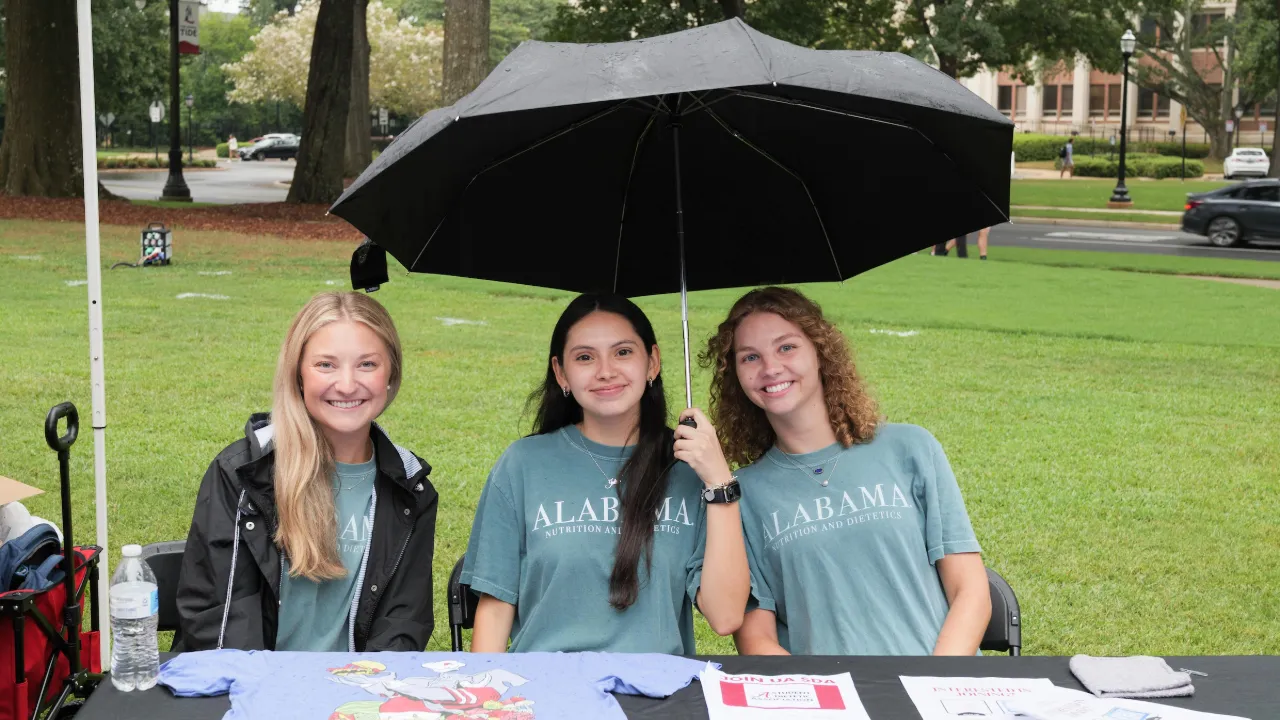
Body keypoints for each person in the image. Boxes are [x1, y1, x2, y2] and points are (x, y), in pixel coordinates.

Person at [702, 287, 990, 656]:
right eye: (750, 357)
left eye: (786, 347)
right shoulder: (741, 495)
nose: (770, 368)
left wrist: (934, 683)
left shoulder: (910, 448)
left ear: (820, 352)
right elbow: (757, 642)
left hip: (940, 692)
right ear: (735, 376)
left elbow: (971, 592)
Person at [461, 293, 749, 653]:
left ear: (653, 362)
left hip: (658, 697)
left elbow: (725, 616)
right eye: (585, 357)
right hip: (549, 694)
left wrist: (719, 482)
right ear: (561, 373)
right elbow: (497, 605)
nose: (606, 371)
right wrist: (490, 703)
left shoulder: (690, 466)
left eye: (623, 352)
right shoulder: (523, 464)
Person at [175, 292, 438, 652]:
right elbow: (218, 624)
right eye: (326, 365)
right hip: (253, 696)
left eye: (367, 364)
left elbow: (403, 626)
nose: (347, 384)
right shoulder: (242, 476)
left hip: (354, 699)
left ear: (391, 374)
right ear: (298, 374)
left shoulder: (411, 490)